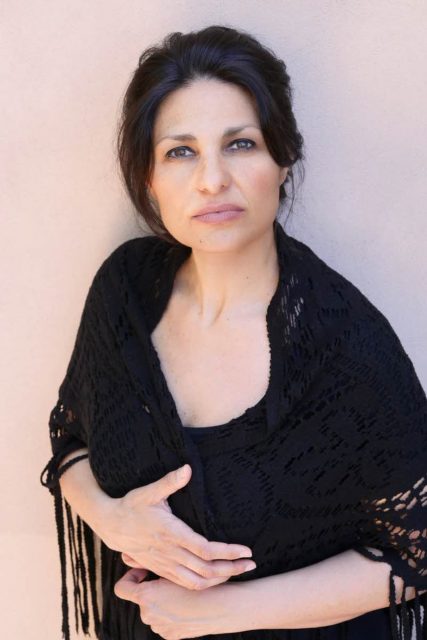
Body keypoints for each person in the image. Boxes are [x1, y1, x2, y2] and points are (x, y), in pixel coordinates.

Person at [40, 24, 427, 640]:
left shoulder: (346, 348)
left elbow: (417, 552)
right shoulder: (124, 292)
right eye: (180, 152)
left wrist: (223, 611)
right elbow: (72, 436)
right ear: (148, 178)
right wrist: (112, 519)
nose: (212, 179)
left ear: (282, 159)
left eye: (240, 144)